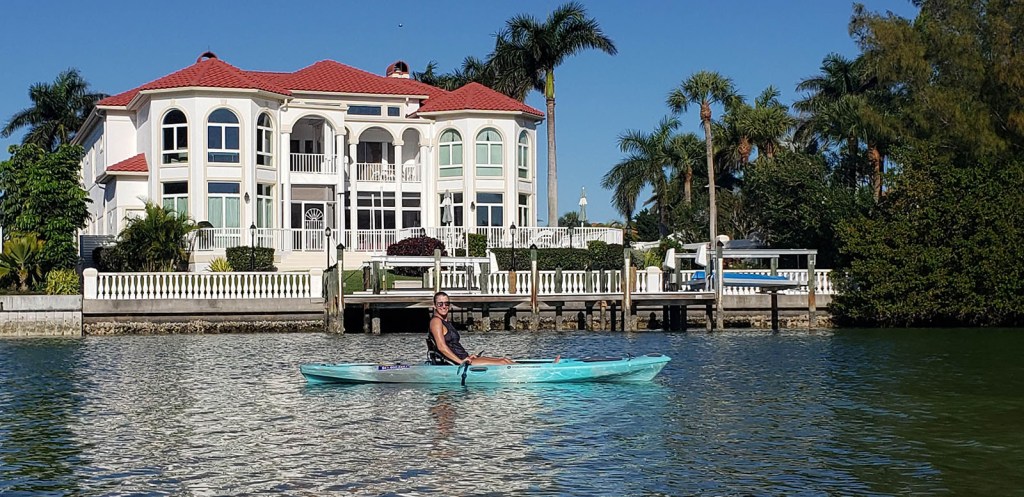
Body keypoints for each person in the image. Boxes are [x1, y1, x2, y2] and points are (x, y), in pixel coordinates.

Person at [427, 291, 514, 366]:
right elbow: (441, 347)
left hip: (465, 358)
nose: (444, 306)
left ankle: (525, 372)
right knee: (503, 362)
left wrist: (467, 356)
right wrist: (461, 361)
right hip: (460, 362)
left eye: (446, 303)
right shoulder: (436, 322)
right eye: (440, 304)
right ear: (434, 306)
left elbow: (454, 346)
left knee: (505, 360)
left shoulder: (446, 322)